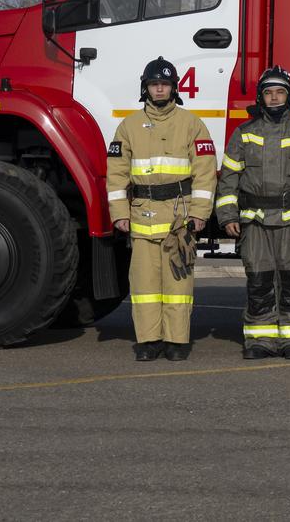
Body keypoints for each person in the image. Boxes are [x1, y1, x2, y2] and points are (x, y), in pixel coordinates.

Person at [214, 66, 290, 360]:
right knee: (259, 280)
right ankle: (260, 339)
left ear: (288, 96)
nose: (275, 97)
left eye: (280, 92)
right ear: (261, 97)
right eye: (269, 92)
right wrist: (228, 216)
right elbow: (228, 178)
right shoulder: (244, 134)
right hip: (254, 222)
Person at [106, 57, 217, 362]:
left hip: (178, 219)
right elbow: (116, 174)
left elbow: (205, 173)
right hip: (141, 216)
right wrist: (120, 213)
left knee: (178, 285)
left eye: (164, 84)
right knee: (144, 286)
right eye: (154, 84)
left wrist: (199, 213)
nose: (159, 89)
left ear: (173, 88)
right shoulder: (128, 126)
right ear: (145, 88)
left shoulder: (192, 124)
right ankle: (148, 341)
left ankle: (177, 341)